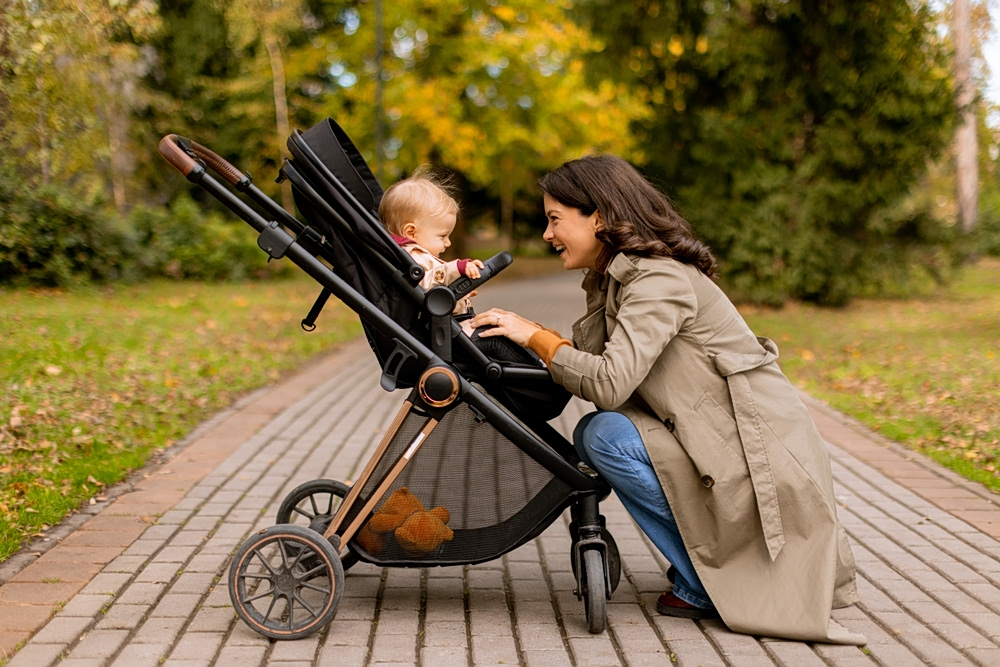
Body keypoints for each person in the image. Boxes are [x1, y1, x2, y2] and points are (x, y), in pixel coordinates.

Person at [469, 155, 865, 644]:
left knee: (604, 435)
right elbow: (589, 362)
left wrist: (536, 338)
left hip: (751, 453)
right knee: (602, 432)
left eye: (555, 219)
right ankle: (707, 569)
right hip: (714, 438)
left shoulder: (658, 279)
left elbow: (609, 382)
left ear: (598, 216)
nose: (548, 234)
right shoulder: (615, 276)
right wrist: (531, 336)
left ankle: (708, 582)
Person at [378, 168, 484, 335]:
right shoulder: (411, 257)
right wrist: (456, 268)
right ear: (411, 232)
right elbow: (424, 283)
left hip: (453, 325)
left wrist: (459, 288)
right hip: (445, 331)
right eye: (442, 236)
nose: (448, 243)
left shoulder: (416, 256)